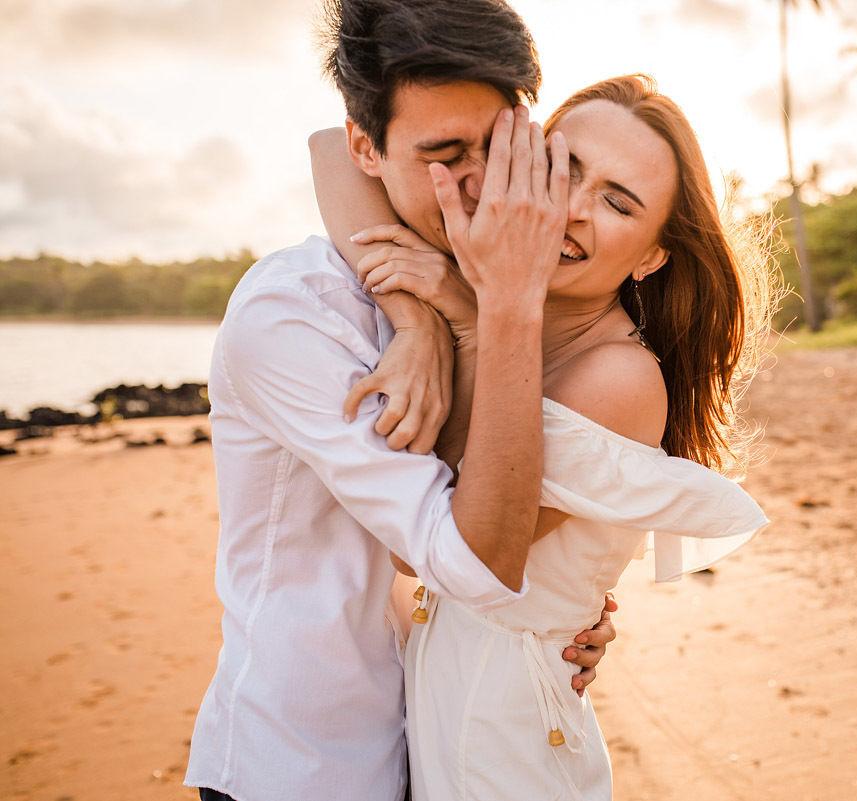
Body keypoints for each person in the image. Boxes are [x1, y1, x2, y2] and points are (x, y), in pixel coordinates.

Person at [183, 2, 616, 800]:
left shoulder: (481, 285)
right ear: (366, 147)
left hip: (442, 745)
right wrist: (475, 309)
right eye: (445, 154)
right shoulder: (291, 317)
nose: (483, 185)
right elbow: (469, 559)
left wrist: (567, 611)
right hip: (305, 762)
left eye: (498, 145)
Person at [311, 73, 775, 800]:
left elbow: (423, 543)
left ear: (653, 255)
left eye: (619, 202)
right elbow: (333, 152)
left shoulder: (619, 380)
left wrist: (468, 314)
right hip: (431, 722)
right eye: (562, 170)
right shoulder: (498, 314)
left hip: (509, 749)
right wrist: (418, 317)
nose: (573, 211)